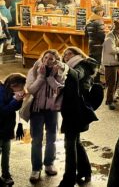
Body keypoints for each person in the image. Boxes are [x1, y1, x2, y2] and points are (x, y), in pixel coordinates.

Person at [59, 47, 100, 187]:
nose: (65, 56)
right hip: (74, 109)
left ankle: (68, 180)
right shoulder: (76, 66)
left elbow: (77, 75)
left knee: (69, 144)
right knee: (75, 142)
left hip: (76, 111)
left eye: (69, 53)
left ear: (77, 54)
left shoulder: (81, 66)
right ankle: (85, 171)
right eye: (64, 55)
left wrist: (65, 68)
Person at [26, 49, 67, 183]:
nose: (47, 61)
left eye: (51, 59)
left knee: (51, 138)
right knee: (36, 140)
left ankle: (49, 164)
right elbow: (31, 89)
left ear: (56, 61)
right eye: (45, 58)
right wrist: (41, 77)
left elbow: (60, 88)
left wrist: (50, 77)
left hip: (52, 110)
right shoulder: (34, 70)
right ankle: (36, 169)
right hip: (37, 110)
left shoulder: (59, 73)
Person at [0, 73, 26, 186]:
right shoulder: (1, 92)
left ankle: (6, 174)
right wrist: (16, 99)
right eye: (21, 87)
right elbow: (3, 111)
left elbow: (14, 108)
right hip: (0, 128)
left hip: (7, 128)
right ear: (13, 85)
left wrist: (19, 100)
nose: (22, 89)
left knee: (6, 153)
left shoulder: (9, 91)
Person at [102, 20, 119, 110]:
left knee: (116, 82)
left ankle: (111, 98)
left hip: (116, 62)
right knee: (111, 83)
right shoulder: (110, 37)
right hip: (110, 63)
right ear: (118, 29)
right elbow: (111, 50)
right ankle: (109, 101)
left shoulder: (118, 36)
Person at [84, 6, 105, 73]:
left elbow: (86, 34)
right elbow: (101, 35)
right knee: (97, 63)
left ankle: (92, 79)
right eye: (102, 11)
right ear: (99, 12)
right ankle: (96, 80)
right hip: (98, 45)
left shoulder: (89, 21)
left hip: (91, 44)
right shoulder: (99, 21)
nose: (103, 13)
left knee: (92, 62)